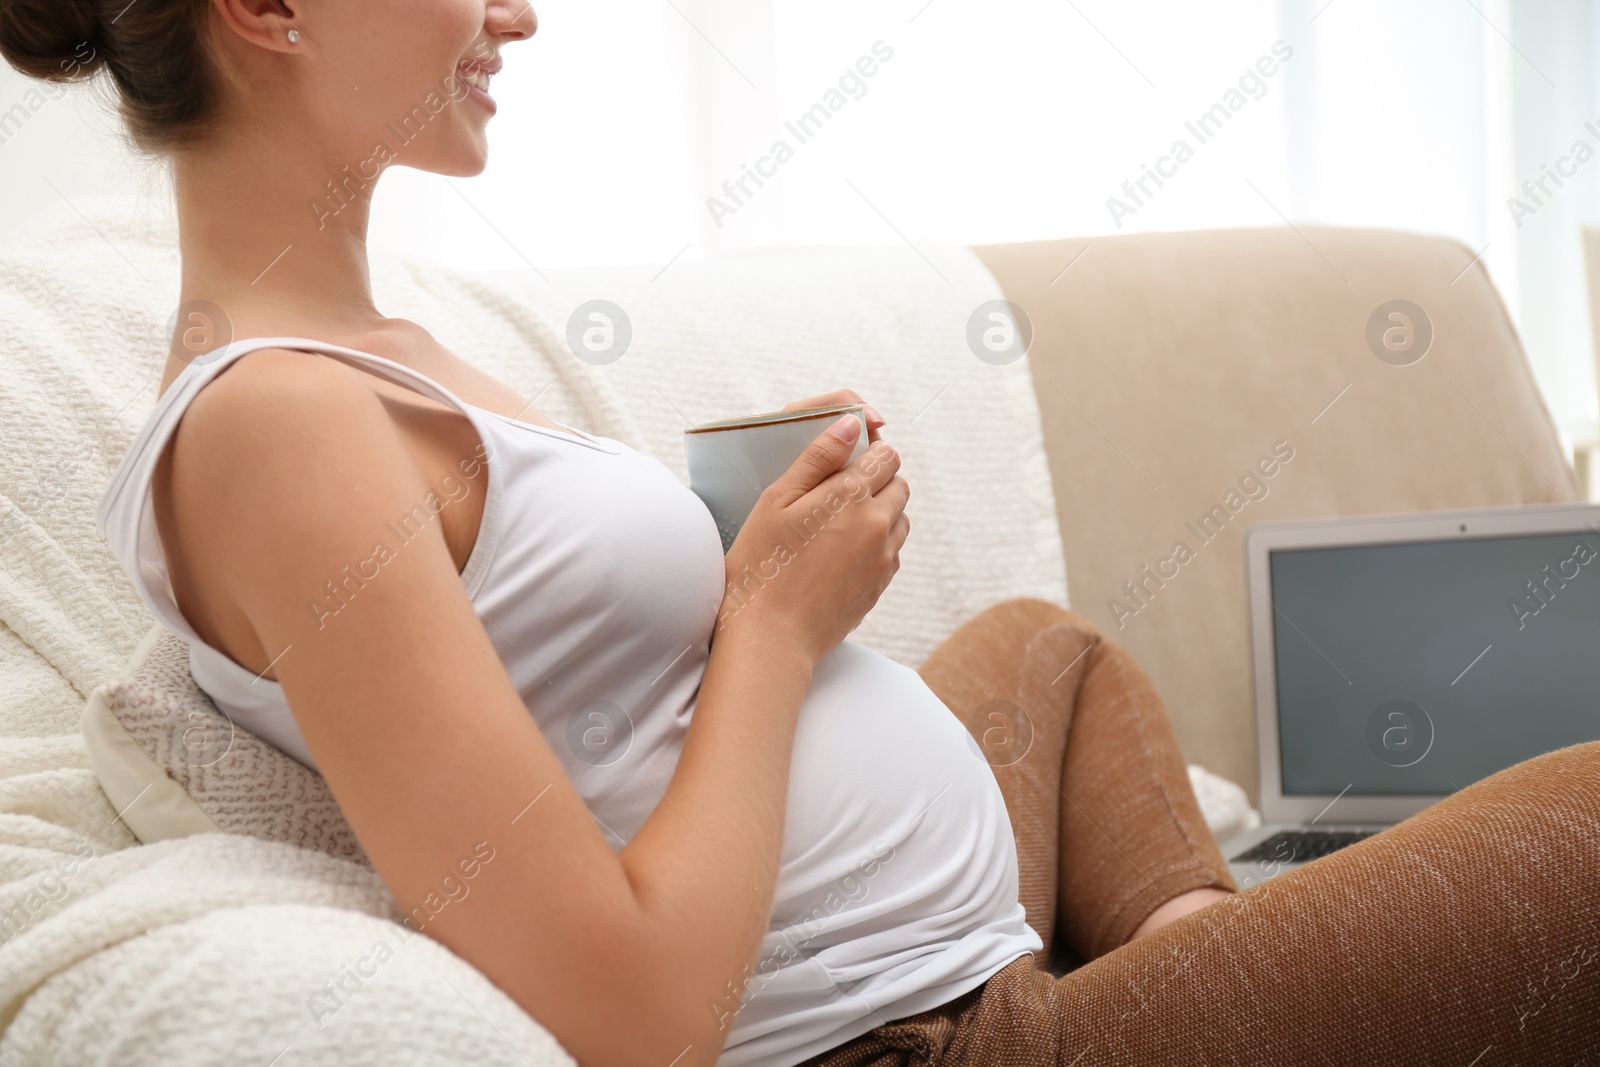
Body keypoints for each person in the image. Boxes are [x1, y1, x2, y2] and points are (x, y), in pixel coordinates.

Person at [5, 1, 1595, 1065]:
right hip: (911, 1040)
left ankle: (1191, 960)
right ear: (271, 7)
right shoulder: (268, 429)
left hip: (961, 961)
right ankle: (1177, 999)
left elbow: (587, 702)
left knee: (1044, 649)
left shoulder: (382, 354)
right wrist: (770, 619)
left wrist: (749, 541)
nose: (517, 14)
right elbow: (626, 1017)